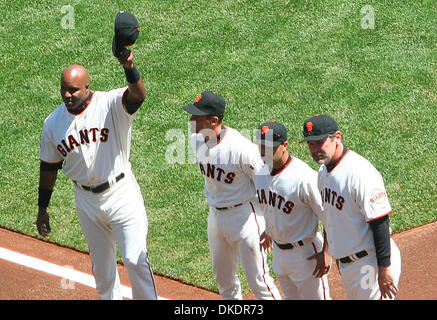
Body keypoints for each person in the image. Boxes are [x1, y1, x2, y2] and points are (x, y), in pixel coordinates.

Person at [36, 50, 157, 299]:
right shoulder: (53, 123)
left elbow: (138, 95)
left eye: (73, 90)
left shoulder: (110, 104)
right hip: (86, 201)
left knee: (135, 260)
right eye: (64, 89)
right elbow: (49, 167)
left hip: (121, 194)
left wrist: (129, 67)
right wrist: (42, 208)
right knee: (102, 271)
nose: (67, 95)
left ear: (87, 87)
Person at [182, 91, 281, 300]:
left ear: (214, 120)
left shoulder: (242, 149)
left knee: (259, 281)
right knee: (224, 280)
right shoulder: (196, 140)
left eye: (197, 117)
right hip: (216, 217)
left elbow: (265, 187)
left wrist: (269, 225)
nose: (191, 121)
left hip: (245, 218)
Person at [301, 114, 402, 300]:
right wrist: (327, 251)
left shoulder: (359, 173)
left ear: (337, 137)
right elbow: (330, 218)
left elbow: (380, 222)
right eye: (310, 144)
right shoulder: (323, 173)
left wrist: (385, 268)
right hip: (350, 266)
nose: (314, 149)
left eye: (319, 142)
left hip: (370, 263)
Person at [253, 121, 331, 300]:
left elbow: (329, 217)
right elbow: (270, 205)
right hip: (280, 255)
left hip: (306, 255)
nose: (264, 152)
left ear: (284, 146)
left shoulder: (303, 178)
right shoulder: (259, 171)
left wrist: (327, 252)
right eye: (262, 147)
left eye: (270, 148)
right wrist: (270, 230)